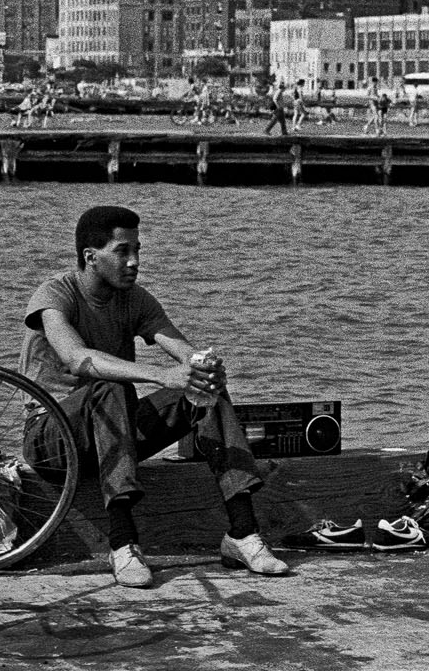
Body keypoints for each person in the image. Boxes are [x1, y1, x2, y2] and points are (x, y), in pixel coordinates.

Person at [19, 205, 287, 588]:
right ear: (90, 258)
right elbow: (78, 358)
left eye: (138, 251)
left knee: (203, 389)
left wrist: (203, 367)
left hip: (113, 433)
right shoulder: (54, 295)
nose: (134, 262)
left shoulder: (136, 299)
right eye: (122, 251)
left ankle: (242, 533)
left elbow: (180, 348)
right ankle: (123, 543)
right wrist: (161, 376)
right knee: (111, 386)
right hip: (53, 440)